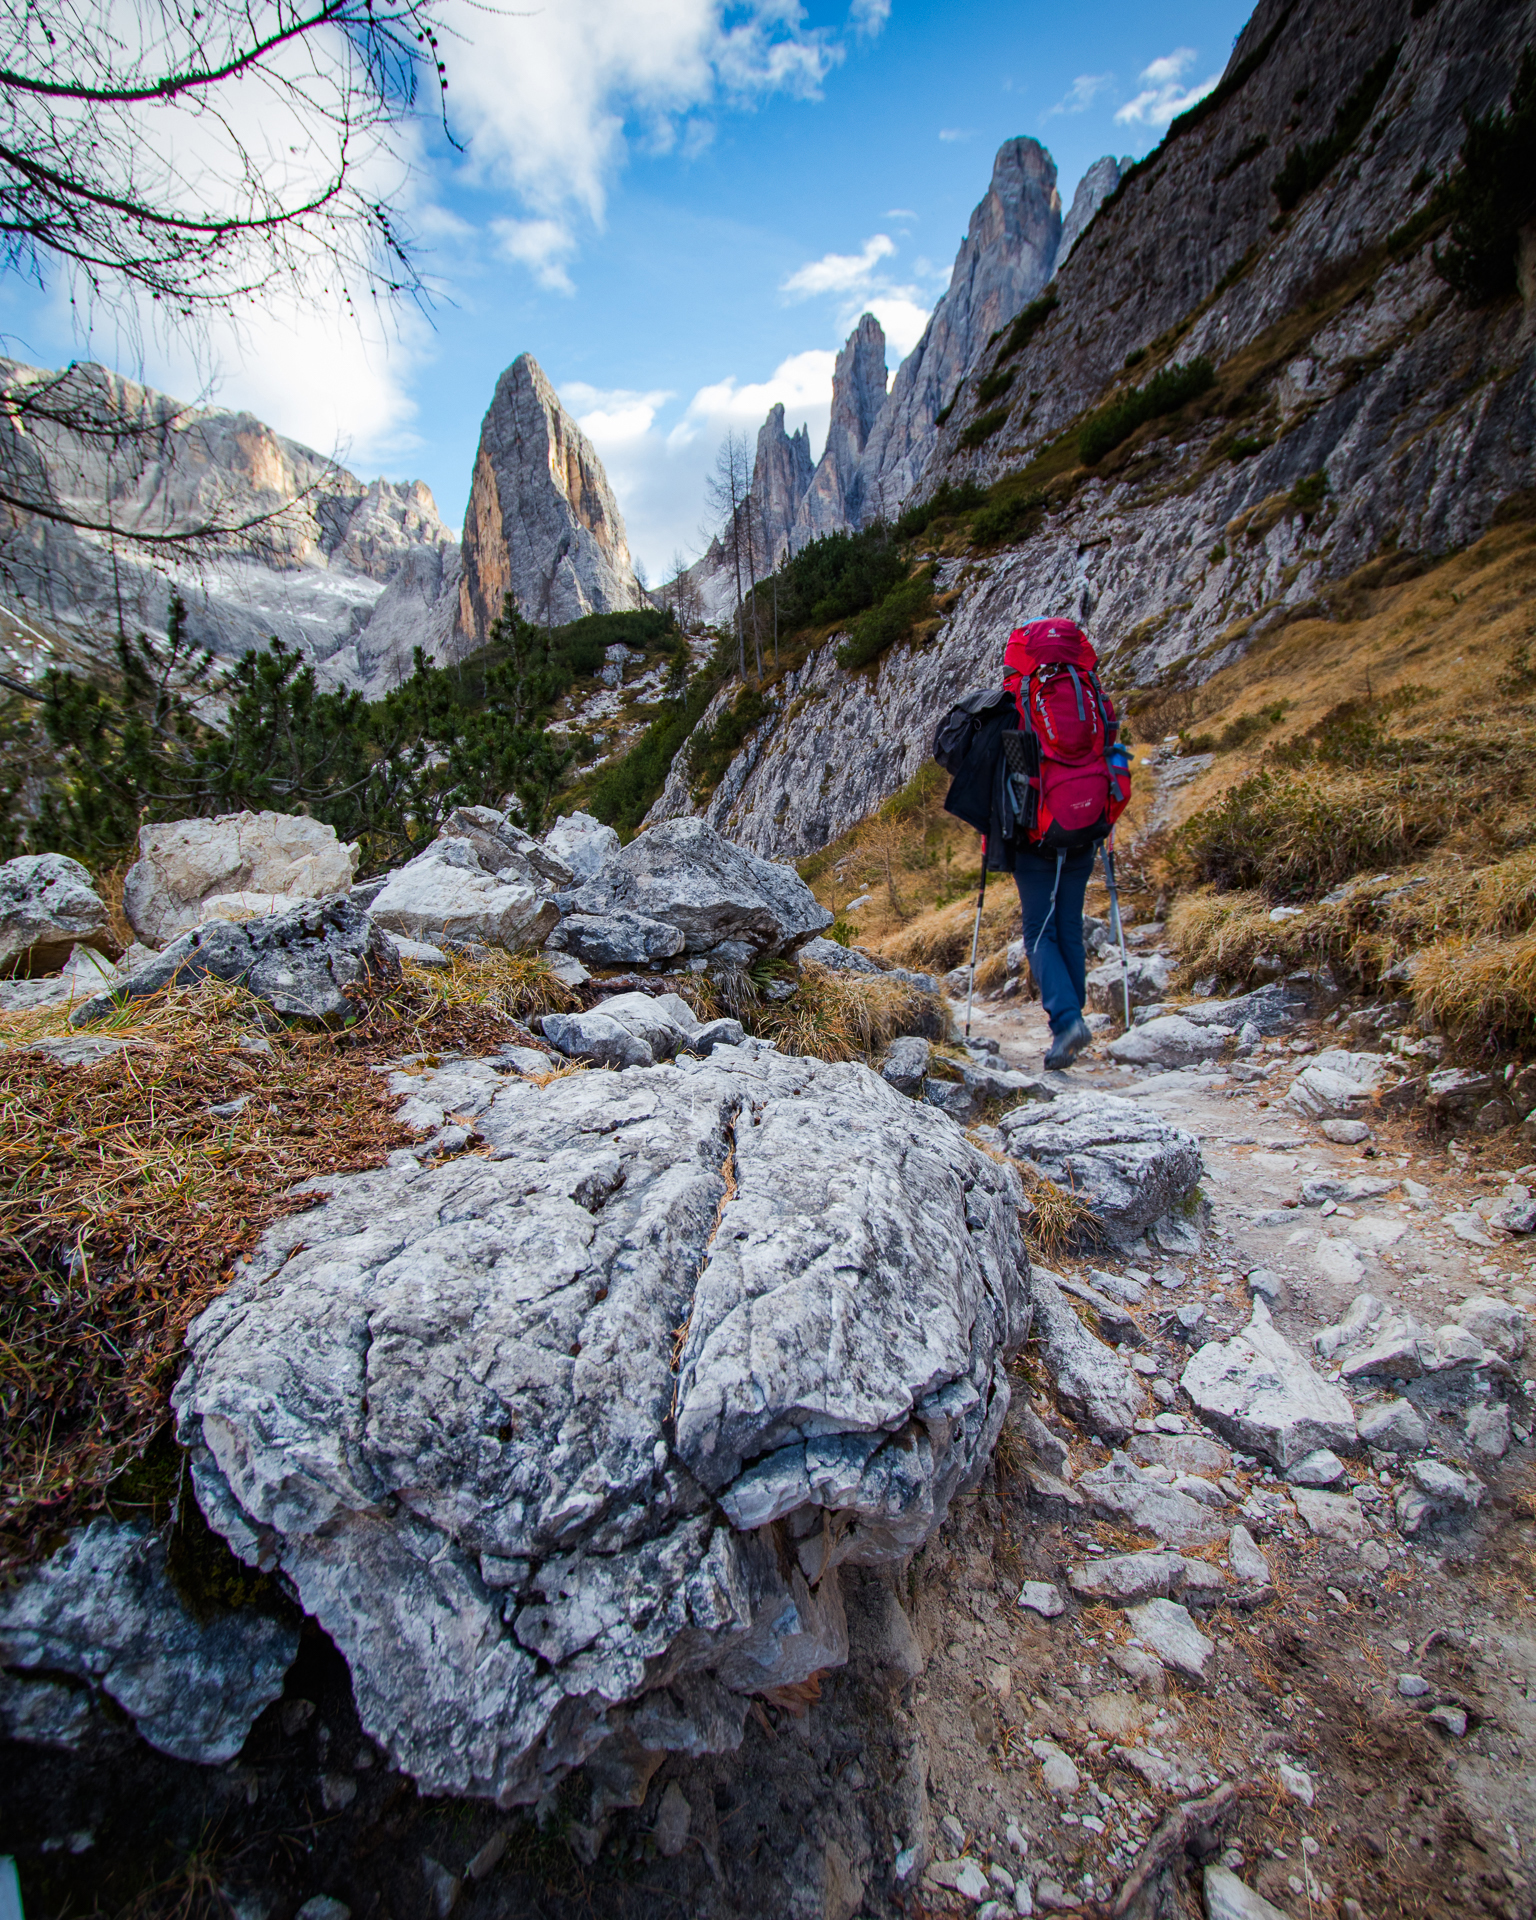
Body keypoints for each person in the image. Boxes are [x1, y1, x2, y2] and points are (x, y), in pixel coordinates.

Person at [1002, 616, 1124, 1073]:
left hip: (1039, 831)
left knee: (1039, 931)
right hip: (1088, 822)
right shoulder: (1093, 695)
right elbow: (1114, 751)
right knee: (1068, 926)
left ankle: (1067, 1021)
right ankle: (1071, 1023)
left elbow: (1011, 773)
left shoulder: (1020, 698)